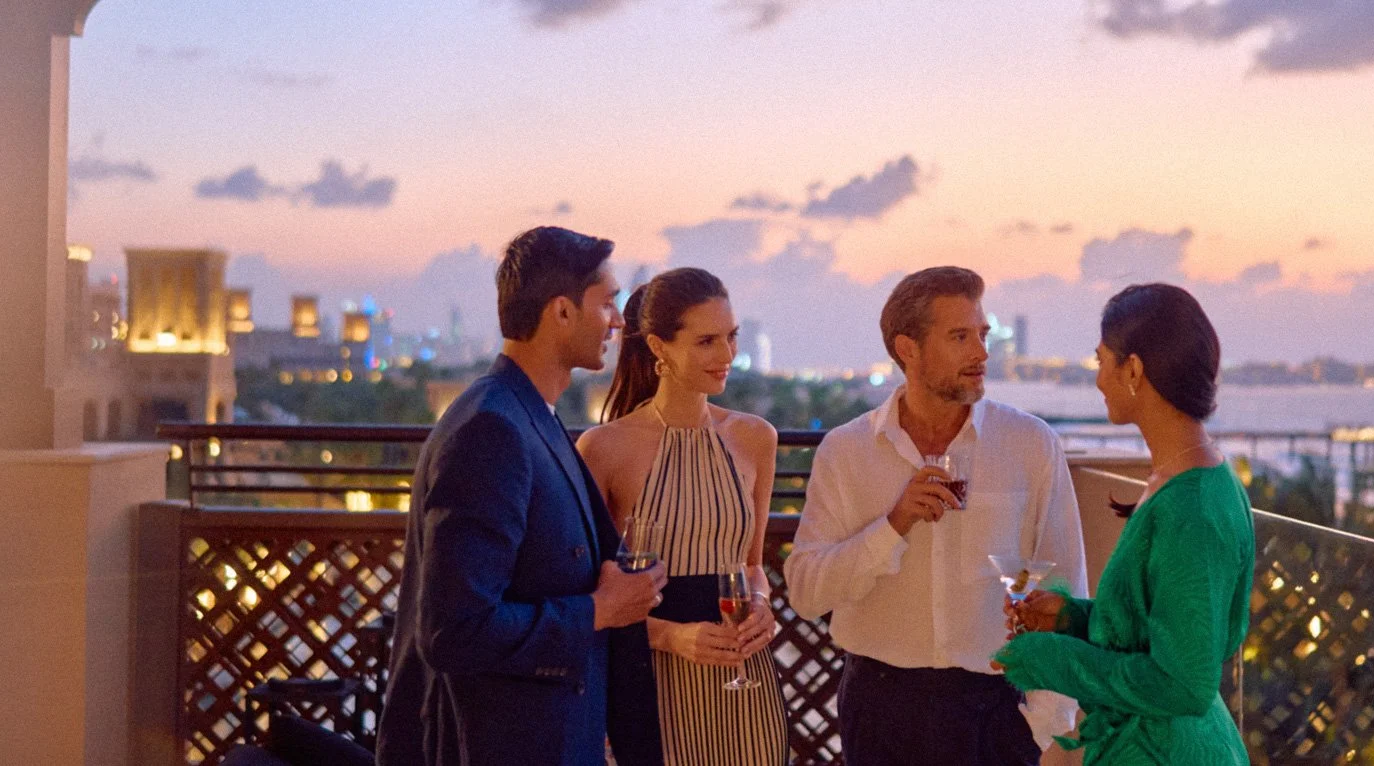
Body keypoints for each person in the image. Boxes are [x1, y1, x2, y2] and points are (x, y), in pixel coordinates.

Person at [377, 226, 669, 766]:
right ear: (561, 312)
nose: (620, 321)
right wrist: (597, 611)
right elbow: (455, 629)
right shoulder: (491, 430)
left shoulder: (531, 417)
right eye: (607, 303)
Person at [785, 266, 1087, 766]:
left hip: (997, 709)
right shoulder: (846, 451)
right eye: (960, 336)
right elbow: (805, 593)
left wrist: (1045, 724)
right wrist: (892, 525)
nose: (982, 353)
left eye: (982, 335)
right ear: (908, 349)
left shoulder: (1030, 444)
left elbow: (1065, 583)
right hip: (881, 707)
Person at [993, 283, 1254, 765]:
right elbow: (1170, 629)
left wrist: (1051, 659)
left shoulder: (1192, 508)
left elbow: (1184, 685)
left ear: (1132, 369)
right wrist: (1074, 618)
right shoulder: (1187, 478)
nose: (1097, 380)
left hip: (1166, 752)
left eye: (1100, 361)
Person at [577, 267, 791, 765]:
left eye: (732, 336)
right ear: (658, 346)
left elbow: (752, 564)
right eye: (707, 341)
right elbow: (588, 595)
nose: (727, 356)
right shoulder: (605, 448)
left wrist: (760, 608)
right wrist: (673, 636)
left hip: (745, 685)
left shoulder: (757, 438)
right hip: (649, 682)